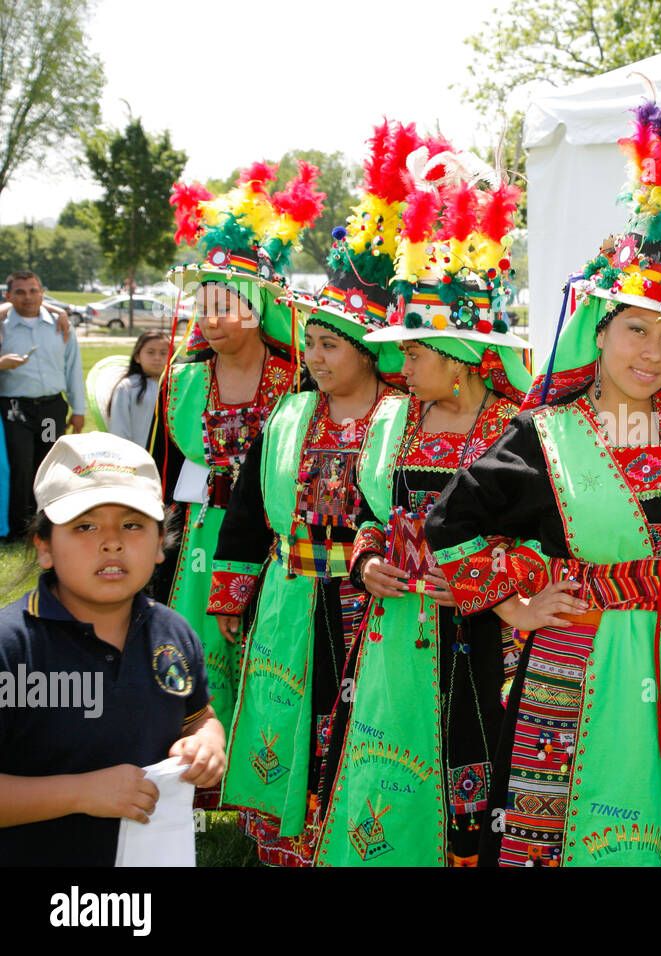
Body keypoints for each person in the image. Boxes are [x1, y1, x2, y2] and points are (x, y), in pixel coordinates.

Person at [427, 73, 661, 867]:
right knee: (564, 820)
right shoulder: (543, 435)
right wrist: (516, 602)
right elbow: (448, 526)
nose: (652, 353)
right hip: (573, 649)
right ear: (596, 327)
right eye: (635, 329)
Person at [319, 146, 535, 865]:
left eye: (413, 354)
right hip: (394, 629)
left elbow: (547, 533)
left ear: (458, 354)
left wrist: (479, 577)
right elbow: (365, 516)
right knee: (390, 745)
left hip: (484, 631)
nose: (398, 367)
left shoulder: (518, 428)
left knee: (475, 746)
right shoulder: (393, 419)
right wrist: (369, 559)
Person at [206, 126, 412, 867]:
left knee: (354, 722)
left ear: (370, 350)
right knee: (290, 715)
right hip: (290, 595)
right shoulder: (288, 417)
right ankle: (288, 836)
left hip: (367, 605)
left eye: (332, 345)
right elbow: (244, 516)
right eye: (314, 344)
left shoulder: (399, 420)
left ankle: (351, 839)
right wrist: (233, 597)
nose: (318, 357)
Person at [154, 161, 323, 749]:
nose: (212, 319)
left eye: (226, 305)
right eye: (204, 305)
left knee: (260, 643)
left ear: (255, 306)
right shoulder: (183, 382)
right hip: (197, 533)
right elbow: (166, 468)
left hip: (269, 538)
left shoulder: (297, 379)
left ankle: (257, 762)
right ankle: (190, 754)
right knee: (190, 639)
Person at [0, 432, 225, 865]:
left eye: (132, 524)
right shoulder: (12, 648)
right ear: (44, 547)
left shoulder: (174, 634)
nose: (111, 541)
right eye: (85, 526)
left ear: (160, 543)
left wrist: (207, 743)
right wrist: (80, 793)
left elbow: (199, 717)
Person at [0, 271, 87, 539]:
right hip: (16, 410)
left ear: (42, 293)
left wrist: (78, 408)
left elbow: (73, 367)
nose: (28, 297)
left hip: (50, 411)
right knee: (21, 464)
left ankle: (45, 525)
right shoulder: (2, 327)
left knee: (47, 462)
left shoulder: (59, 326)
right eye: (20, 292)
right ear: (8, 296)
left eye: (33, 291)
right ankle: (17, 529)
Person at [107, 330, 169, 448]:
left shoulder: (177, 387)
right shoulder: (127, 387)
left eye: (163, 353)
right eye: (150, 352)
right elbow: (118, 428)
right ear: (137, 357)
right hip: (137, 456)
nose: (157, 358)